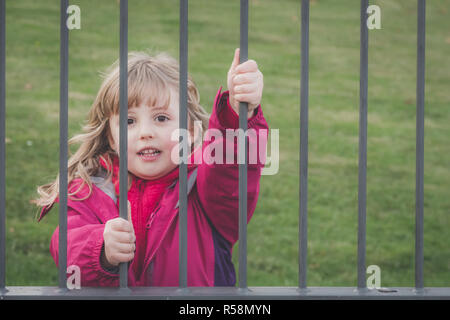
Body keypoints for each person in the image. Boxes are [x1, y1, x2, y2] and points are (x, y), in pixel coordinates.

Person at [33, 48, 268, 287]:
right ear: (111, 138)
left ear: (190, 131)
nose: (146, 132)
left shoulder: (204, 189)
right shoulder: (90, 190)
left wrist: (236, 115)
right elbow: (65, 248)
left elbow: (230, 170)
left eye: (161, 118)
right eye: (129, 121)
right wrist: (101, 248)